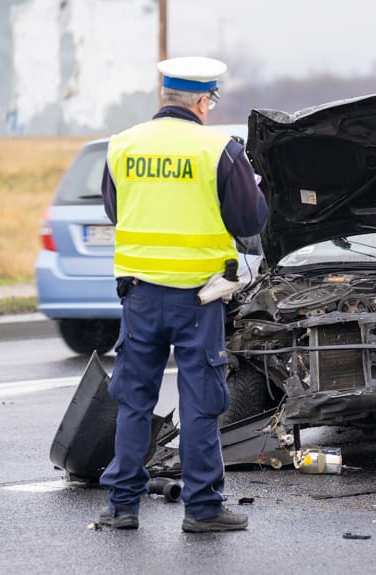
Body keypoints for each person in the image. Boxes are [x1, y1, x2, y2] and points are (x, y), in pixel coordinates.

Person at [97, 56, 268, 532]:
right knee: (200, 403)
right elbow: (250, 221)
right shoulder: (220, 151)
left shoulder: (122, 146)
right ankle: (203, 510)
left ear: (163, 97)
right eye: (210, 100)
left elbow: (117, 210)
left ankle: (122, 507)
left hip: (139, 296)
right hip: (198, 299)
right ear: (201, 100)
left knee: (134, 400)